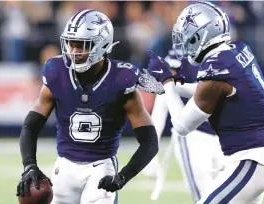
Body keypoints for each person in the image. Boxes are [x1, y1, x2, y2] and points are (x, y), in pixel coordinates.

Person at [145, 2, 264, 204]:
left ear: (203, 35)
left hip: (250, 159)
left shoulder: (217, 67)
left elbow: (183, 125)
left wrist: (166, 81)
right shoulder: (236, 49)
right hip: (257, 155)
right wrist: (170, 84)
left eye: (188, 36)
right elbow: (205, 91)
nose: (184, 43)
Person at [16, 9, 159, 204]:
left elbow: (150, 141)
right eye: (71, 44)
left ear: (102, 45)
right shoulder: (57, 72)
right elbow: (30, 126)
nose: (73, 52)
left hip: (100, 169)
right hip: (64, 168)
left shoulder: (121, 80)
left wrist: (123, 176)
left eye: (81, 46)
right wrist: (29, 165)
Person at [142, 49, 224, 202]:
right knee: (205, 198)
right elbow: (164, 97)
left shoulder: (223, 52)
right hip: (194, 135)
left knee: (228, 196)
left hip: (223, 135)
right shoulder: (179, 54)